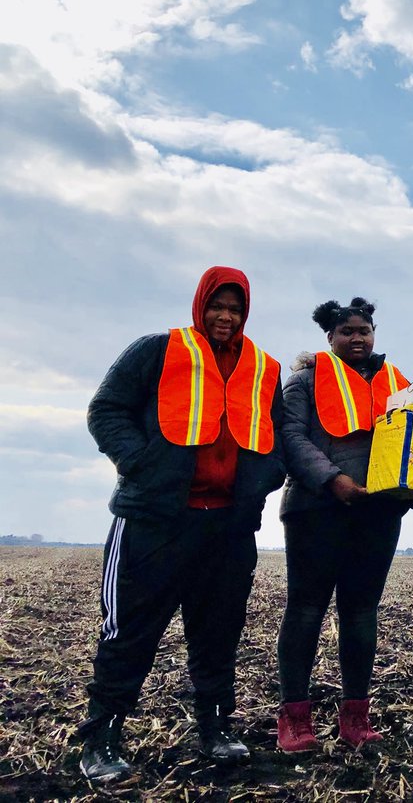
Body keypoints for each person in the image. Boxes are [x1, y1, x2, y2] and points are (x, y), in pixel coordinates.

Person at [78, 266, 286, 782]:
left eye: (235, 309)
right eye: (217, 306)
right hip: (154, 521)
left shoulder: (264, 367)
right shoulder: (157, 350)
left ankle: (215, 728)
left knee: (219, 633)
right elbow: (106, 410)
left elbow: (278, 434)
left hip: (229, 527)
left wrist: (264, 478)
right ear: (200, 306)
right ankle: (102, 738)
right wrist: (140, 463)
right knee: (129, 631)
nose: (225, 316)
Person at [275, 297, 413, 753]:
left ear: (374, 334)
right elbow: (290, 437)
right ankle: (295, 718)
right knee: (305, 610)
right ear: (330, 337)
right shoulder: (304, 380)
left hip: (376, 514)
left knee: (360, 613)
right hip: (315, 510)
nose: (357, 338)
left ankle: (355, 717)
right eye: (347, 332)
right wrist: (332, 479)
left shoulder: (398, 384)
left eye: (364, 330)